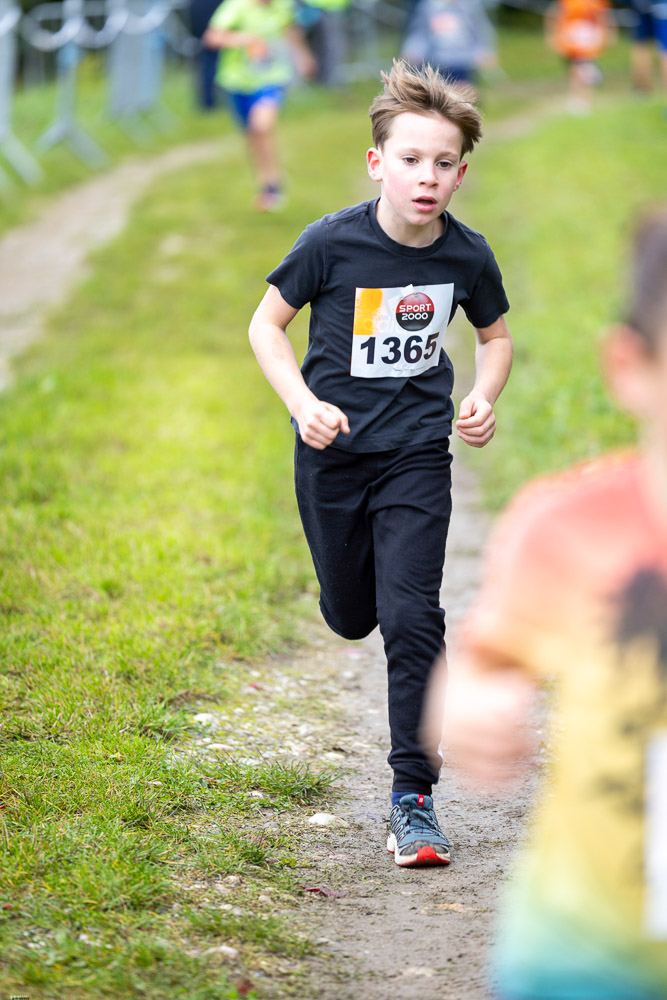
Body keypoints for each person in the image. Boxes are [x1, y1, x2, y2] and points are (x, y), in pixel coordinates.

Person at [248, 59, 513, 867]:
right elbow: (265, 326)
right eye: (409, 159)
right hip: (330, 457)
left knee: (412, 616)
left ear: (460, 173)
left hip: (414, 456)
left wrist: (482, 395)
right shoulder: (330, 243)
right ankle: (344, 597)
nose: (426, 176)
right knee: (351, 614)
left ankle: (413, 799)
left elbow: (495, 337)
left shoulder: (466, 256)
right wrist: (302, 404)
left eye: (442, 163)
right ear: (376, 163)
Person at [437, 209, 667, 995]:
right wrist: (477, 704)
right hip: (586, 953)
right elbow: (484, 662)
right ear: (630, 367)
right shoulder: (567, 531)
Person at [202, 0, 316, 211]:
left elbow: (290, 30)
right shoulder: (236, 6)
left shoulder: (283, 6)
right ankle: (265, 179)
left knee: (262, 126)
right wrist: (245, 39)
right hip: (237, 81)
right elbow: (212, 37)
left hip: (271, 78)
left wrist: (303, 55)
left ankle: (272, 184)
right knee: (252, 135)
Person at [402, 0, 499, 89]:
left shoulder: (469, 7)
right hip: (435, 61)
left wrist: (484, 50)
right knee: (434, 93)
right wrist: (413, 50)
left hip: (461, 62)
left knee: (464, 91)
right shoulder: (428, 7)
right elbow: (419, 33)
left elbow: (480, 31)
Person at [545, 0, 616, 114]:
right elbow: (554, 14)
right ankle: (576, 98)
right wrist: (553, 35)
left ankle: (587, 100)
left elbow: (605, 15)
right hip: (572, 36)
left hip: (590, 36)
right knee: (574, 68)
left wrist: (609, 32)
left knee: (587, 67)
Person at [626, 0, 667, 99]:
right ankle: (643, 90)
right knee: (664, 48)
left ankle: (642, 91)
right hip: (660, 4)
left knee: (641, 44)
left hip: (639, 4)